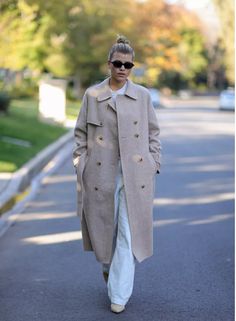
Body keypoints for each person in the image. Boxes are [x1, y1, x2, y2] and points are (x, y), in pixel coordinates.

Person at [73, 35, 161, 314]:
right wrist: (81, 163)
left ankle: (119, 295)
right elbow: (80, 135)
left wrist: (153, 161)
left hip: (136, 176)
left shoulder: (142, 96)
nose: (123, 68)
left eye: (128, 64)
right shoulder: (93, 95)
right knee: (105, 232)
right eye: (118, 63)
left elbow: (153, 133)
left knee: (128, 234)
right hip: (100, 176)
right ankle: (109, 269)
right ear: (109, 64)